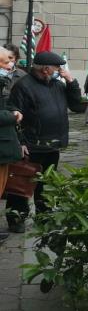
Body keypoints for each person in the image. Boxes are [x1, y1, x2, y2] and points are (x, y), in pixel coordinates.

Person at [5, 52, 85, 232]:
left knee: (46, 184)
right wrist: (20, 142)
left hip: (53, 143)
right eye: (58, 67)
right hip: (32, 143)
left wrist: (72, 82)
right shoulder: (23, 86)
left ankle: (44, 215)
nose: (60, 70)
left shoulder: (57, 85)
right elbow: (13, 113)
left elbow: (77, 106)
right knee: (21, 182)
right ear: (47, 69)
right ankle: (16, 217)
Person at [0, 48, 25, 243]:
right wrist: (13, 116)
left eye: (10, 61)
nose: (10, 65)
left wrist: (13, 111)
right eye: (5, 61)